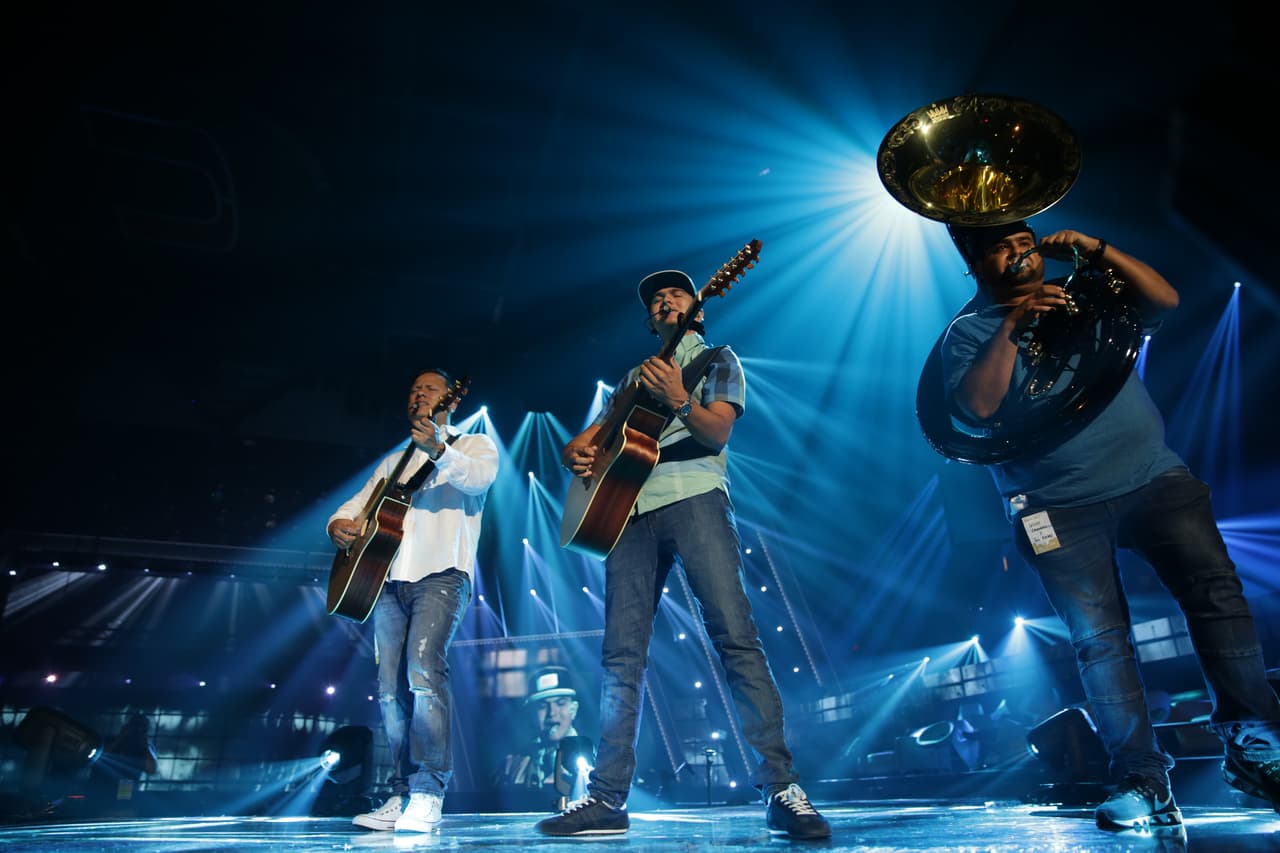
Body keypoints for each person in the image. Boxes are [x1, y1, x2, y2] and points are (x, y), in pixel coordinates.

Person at [939, 219, 1280, 835]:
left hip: (1153, 477)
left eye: (1025, 244)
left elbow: (1164, 302)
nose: (1020, 258)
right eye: (1001, 251)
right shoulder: (968, 333)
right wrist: (1015, 324)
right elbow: (978, 407)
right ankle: (1143, 780)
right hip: (1053, 507)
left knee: (1218, 600)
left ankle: (1256, 746)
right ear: (975, 263)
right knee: (1101, 641)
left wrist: (1096, 251)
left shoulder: (1081, 290)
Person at [538, 269, 831, 839]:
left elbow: (717, 433)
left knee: (734, 637)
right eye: (655, 299)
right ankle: (605, 799)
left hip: (694, 497)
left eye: (674, 293)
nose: (663, 299)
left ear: (698, 307)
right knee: (620, 657)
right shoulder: (632, 376)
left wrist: (677, 399)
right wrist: (578, 454)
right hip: (625, 510)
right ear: (650, 320)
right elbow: (589, 439)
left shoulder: (717, 358)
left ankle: (781, 787)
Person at [328, 367, 499, 834]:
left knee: (424, 673)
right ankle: (401, 792)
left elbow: (477, 481)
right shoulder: (392, 460)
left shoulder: (473, 444)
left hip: (442, 574)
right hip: (387, 580)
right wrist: (337, 526)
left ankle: (428, 791)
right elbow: (355, 506)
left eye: (428, 389)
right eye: (413, 389)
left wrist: (439, 450)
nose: (418, 394)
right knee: (389, 691)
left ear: (451, 400)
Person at [493, 666, 584, 791]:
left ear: (573, 710)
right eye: (542, 706)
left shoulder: (595, 762)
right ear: (531, 714)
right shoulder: (512, 766)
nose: (552, 713)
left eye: (560, 703)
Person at [87, 713, 158, 814]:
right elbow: (99, 756)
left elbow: (151, 770)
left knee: (122, 811)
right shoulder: (110, 739)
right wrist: (121, 737)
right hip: (103, 784)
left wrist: (145, 745)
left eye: (142, 728)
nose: (137, 730)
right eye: (135, 726)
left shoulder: (145, 748)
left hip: (126, 786)